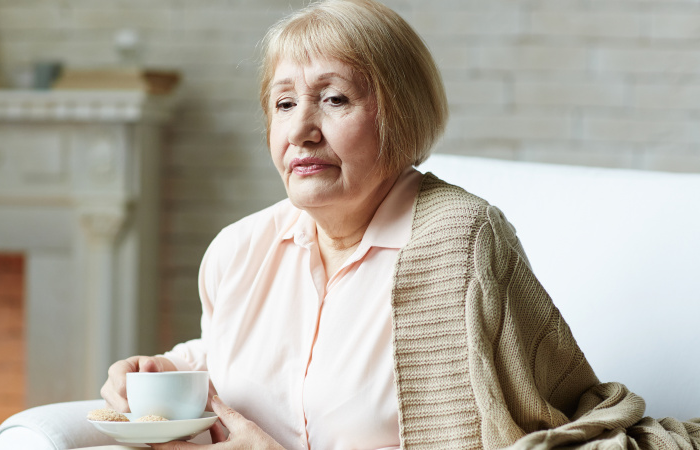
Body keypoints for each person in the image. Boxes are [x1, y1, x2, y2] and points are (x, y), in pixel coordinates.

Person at [101, 1, 700, 448]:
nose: (302, 129)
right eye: (283, 103)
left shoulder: (460, 242)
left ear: (399, 117)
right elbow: (256, 352)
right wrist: (168, 370)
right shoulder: (238, 249)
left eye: (333, 99)